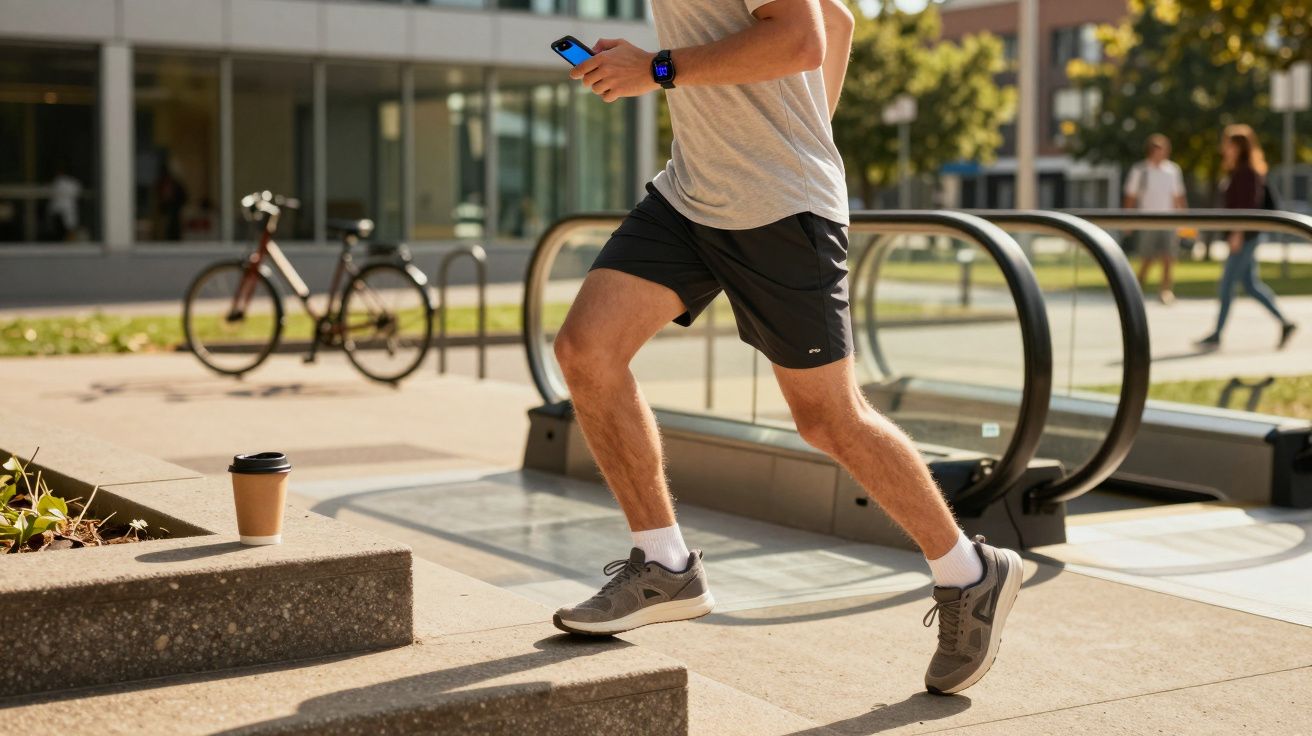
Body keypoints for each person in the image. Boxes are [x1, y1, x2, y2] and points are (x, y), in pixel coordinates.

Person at [549, 0, 1023, 696]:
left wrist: (659, 69)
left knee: (828, 418)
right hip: (691, 195)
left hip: (780, 206)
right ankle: (665, 564)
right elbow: (838, 18)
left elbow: (802, 38)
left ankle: (971, 574)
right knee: (585, 350)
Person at [1198, 125, 1297, 349]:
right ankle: (1285, 323)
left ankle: (1216, 335)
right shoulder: (1238, 171)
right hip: (1244, 235)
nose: (1224, 148)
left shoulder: (1246, 173)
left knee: (1226, 285)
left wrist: (1237, 234)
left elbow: (1247, 207)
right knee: (1251, 286)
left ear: (1238, 147)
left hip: (1244, 236)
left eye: (1228, 143)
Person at [1123, 134, 1186, 304]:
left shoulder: (1172, 170)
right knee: (1147, 258)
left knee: (1168, 258)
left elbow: (1178, 196)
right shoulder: (1140, 170)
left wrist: (1184, 219)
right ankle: (1135, 291)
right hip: (1147, 220)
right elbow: (1130, 196)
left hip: (1169, 220)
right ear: (1150, 151)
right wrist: (1127, 220)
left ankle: (1165, 291)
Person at [47, 163, 82, 242]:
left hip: (62, 209)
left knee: (68, 227)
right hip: (61, 209)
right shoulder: (70, 182)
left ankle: (68, 239)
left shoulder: (61, 182)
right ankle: (67, 239)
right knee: (68, 227)